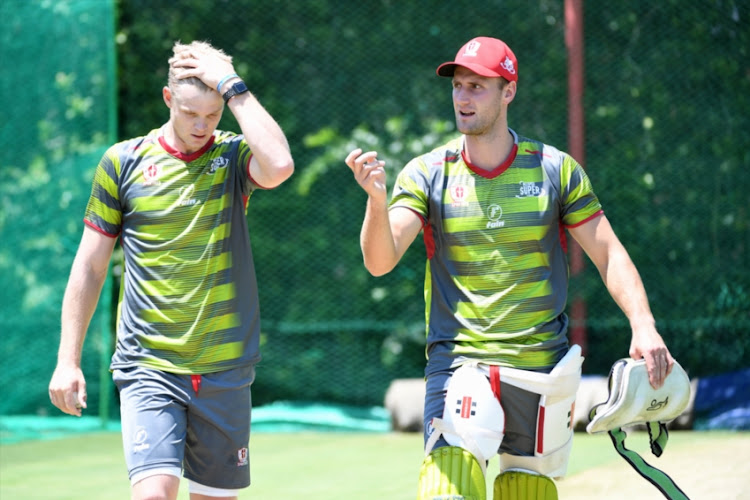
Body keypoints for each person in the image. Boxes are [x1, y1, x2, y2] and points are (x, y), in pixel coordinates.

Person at [345, 36, 676, 499]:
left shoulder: (555, 170)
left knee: (527, 492)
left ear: (509, 91)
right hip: (460, 362)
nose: (462, 97)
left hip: (540, 365)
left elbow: (608, 253)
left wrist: (644, 325)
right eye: (459, 85)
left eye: (477, 86)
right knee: (446, 490)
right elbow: (380, 262)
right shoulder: (426, 172)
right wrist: (376, 204)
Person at [48, 40, 294, 500]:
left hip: (224, 369)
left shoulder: (234, 158)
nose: (202, 126)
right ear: (167, 100)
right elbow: (90, 265)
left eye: (213, 114)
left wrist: (234, 88)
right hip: (148, 364)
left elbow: (279, 165)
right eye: (189, 113)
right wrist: (68, 360)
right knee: (154, 493)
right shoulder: (122, 162)